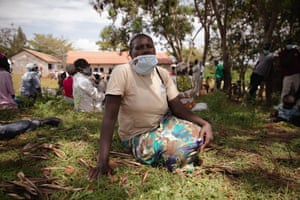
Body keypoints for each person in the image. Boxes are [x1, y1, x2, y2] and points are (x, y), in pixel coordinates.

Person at [88, 33, 213, 180]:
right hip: (139, 134)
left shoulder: (162, 74)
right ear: (131, 54)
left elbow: (177, 108)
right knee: (180, 151)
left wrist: (205, 123)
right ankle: (175, 151)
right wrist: (102, 161)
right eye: (139, 48)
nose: (145, 50)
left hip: (165, 124)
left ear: (154, 50)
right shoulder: (122, 72)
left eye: (149, 46)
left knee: (200, 133)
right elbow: (109, 118)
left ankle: (178, 144)